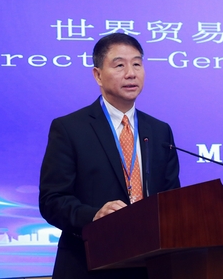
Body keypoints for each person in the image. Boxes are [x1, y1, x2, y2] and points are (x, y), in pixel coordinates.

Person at [39, 33, 181, 279]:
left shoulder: (159, 131)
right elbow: (52, 200)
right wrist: (94, 216)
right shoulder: (70, 128)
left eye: (137, 64)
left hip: (151, 266)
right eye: (119, 65)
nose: (131, 73)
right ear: (98, 75)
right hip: (89, 264)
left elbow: (171, 200)